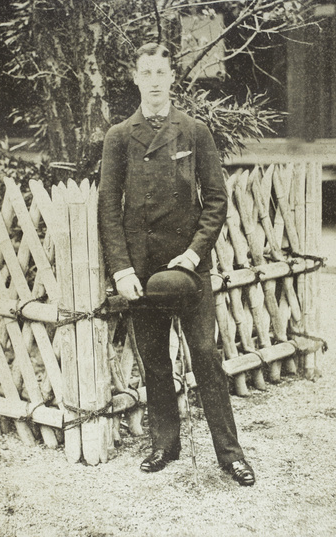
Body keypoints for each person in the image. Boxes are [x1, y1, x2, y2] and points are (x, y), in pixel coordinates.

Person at [98, 43, 255, 486]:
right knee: (154, 359)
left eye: (160, 72)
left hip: (188, 268)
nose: (152, 80)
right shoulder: (119, 136)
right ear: (134, 77)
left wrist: (194, 253)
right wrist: (122, 270)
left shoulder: (194, 131)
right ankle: (165, 444)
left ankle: (230, 453)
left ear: (171, 77)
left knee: (205, 353)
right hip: (142, 271)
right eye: (144, 72)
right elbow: (108, 206)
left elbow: (217, 200)